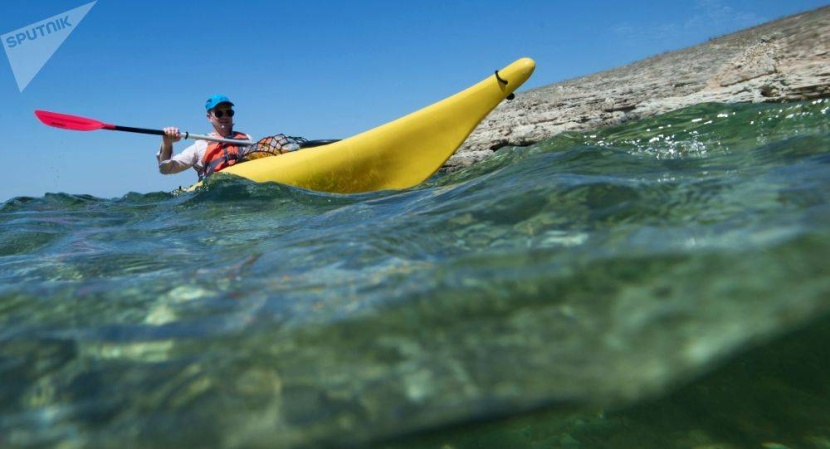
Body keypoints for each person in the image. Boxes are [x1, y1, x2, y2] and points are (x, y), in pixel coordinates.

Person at [157, 94, 253, 180]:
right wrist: (167, 143)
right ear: (209, 117)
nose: (225, 116)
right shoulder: (200, 144)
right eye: (219, 113)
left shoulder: (247, 139)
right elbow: (166, 169)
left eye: (229, 112)